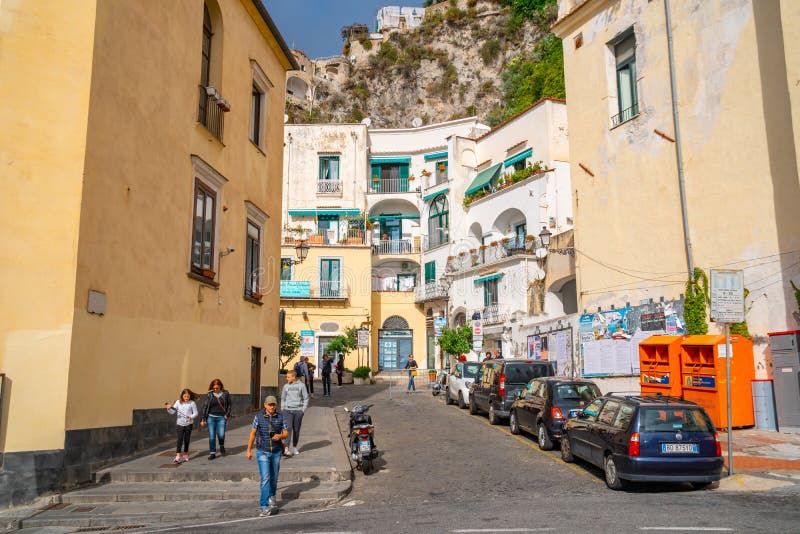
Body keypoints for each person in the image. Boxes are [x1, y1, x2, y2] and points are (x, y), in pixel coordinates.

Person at [247, 395, 288, 517]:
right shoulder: (258, 417)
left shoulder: (280, 417)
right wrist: (248, 450)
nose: (271, 407)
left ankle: (272, 497)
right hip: (262, 452)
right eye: (269, 404)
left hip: (276, 452)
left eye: (273, 404)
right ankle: (264, 506)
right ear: (265, 405)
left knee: (274, 477)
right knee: (265, 478)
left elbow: (286, 432)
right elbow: (253, 434)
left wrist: (280, 436)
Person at [164, 388, 199, 464]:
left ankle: (185, 454)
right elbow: (172, 412)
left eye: (188, 396)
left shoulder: (192, 403)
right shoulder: (178, 402)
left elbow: (196, 413)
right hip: (180, 424)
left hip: (189, 424)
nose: (186, 398)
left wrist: (190, 417)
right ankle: (178, 456)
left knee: (187, 439)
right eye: (185, 396)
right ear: (182, 396)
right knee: (179, 439)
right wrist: (169, 408)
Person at [200, 378, 231, 460]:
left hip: (222, 417)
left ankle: (221, 445)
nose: (215, 389)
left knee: (221, 434)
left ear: (220, 386)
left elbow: (229, 405)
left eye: (217, 388)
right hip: (211, 417)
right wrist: (203, 419)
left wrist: (227, 415)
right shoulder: (209, 394)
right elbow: (205, 406)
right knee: (212, 436)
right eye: (213, 388)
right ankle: (212, 453)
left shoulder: (226, 393)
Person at [280, 370, 308, 457]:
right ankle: (286, 448)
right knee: (288, 428)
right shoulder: (286, 386)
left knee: (296, 430)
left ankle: (295, 447)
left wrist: (302, 410)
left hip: (298, 411)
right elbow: (283, 398)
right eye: (287, 377)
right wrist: (283, 408)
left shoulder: (301, 386)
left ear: (293, 377)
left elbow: (306, 398)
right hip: (287, 411)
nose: (287, 378)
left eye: (288, 377)